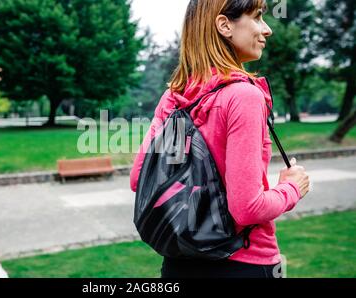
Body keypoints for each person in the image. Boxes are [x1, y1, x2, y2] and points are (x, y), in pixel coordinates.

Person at [129, 0, 310, 278]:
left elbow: (139, 179)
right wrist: (291, 188)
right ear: (225, 25)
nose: (267, 29)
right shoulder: (243, 97)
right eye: (258, 17)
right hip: (243, 262)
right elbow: (247, 210)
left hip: (179, 262)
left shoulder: (176, 97)